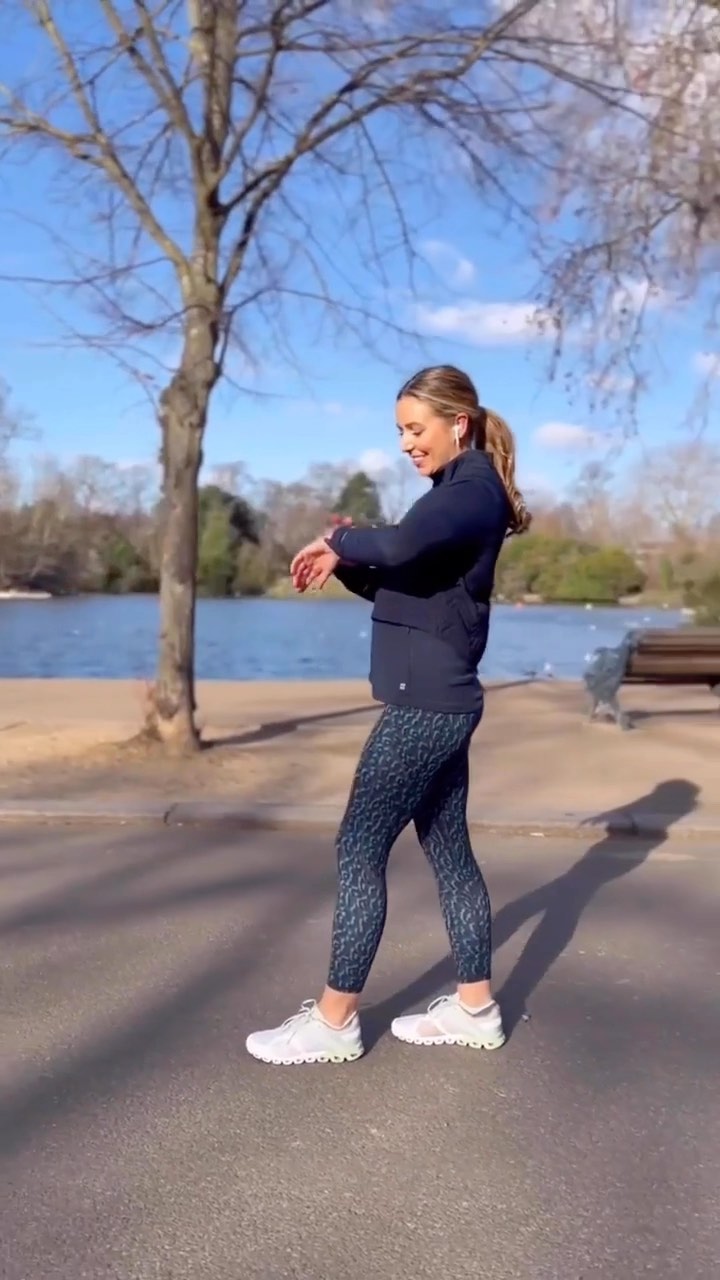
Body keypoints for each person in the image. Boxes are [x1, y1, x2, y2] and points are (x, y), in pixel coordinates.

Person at [246, 364, 531, 1066]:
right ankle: (476, 1009)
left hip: (425, 706)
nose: (406, 443)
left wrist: (339, 541)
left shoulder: (471, 489)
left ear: (457, 423)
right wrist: (344, 564)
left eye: (415, 428)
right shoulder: (453, 496)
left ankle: (335, 1019)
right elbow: (404, 589)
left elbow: (398, 546)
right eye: (400, 431)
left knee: (359, 848)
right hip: (440, 699)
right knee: (449, 852)